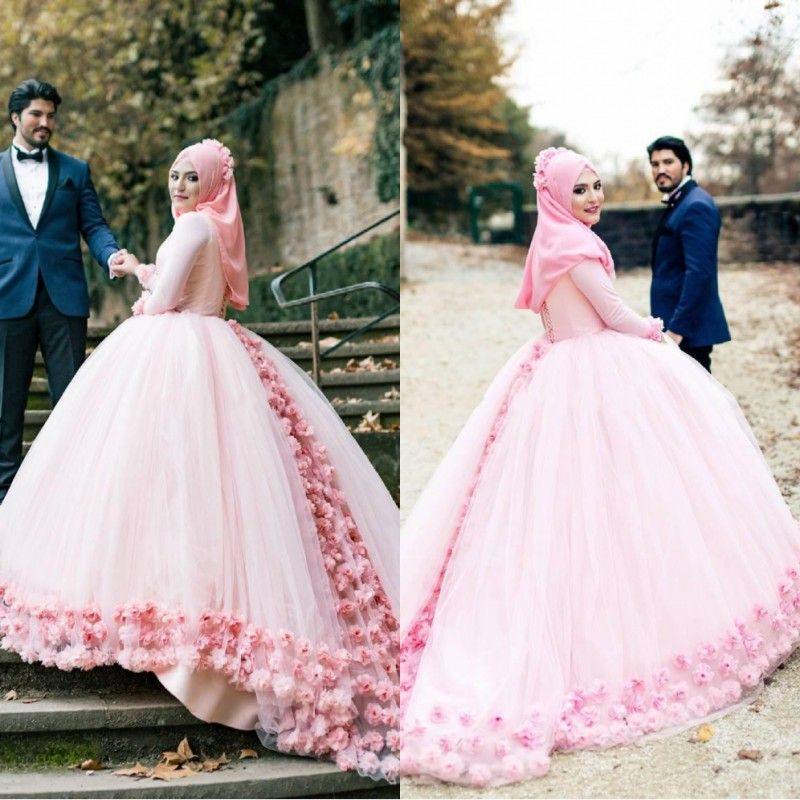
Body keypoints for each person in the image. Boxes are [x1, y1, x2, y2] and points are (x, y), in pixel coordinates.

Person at [0, 138, 399, 782]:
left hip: (175, 353)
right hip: (217, 343)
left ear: (212, 182)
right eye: (175, 175)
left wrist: (143, 294)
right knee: (209, 491)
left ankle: (169, 614)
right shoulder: (216, 225)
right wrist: (137, 268)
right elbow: (183, 284)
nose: (179, 185)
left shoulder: (191, 227)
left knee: (159, 485)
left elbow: (164, 303)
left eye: (192, 176)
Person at [400, 147, 799, 787]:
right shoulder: (575, 248)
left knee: (590, 500)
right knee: (620, 496)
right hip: (589, 368)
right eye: (580, 188)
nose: (592, 197)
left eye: (596, 186)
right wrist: (654, 330)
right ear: (557, 194)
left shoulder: (549, 239)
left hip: (556, 363)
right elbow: (612, 315)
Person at [0, 79, 131, 501]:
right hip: (7, 298)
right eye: (36, 114)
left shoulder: (76, 171)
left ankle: (77, 499)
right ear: (16, 117)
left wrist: (110, 255)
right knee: (6, 409)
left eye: (51, 115)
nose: (45, 122)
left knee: (75, 404)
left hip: (65, 300)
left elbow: (93, 224)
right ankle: (6, 504)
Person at [648, 135, 730, 372]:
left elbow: (699, 273)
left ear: (685, 165)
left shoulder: (696, 205)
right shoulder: (681, 202)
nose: (660, 170)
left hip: (687, 331)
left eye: (668, 162)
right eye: (655, 164)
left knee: (700, 404)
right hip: (676, 324)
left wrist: (676, 331)